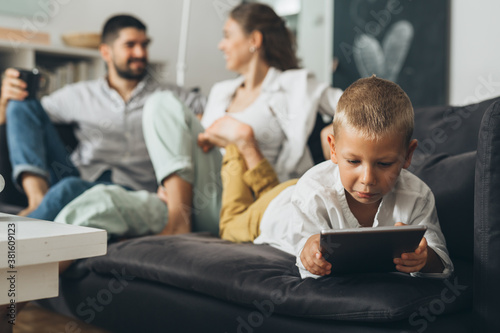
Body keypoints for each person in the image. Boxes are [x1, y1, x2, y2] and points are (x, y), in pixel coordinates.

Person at [52, 2, 343, 238]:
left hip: (248, 202)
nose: (221, 44)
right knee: (98, 203)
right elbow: (195, 142)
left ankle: (178, 222)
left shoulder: (296, 84)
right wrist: (172, 178)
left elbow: (358, 108)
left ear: (253, 40)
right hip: (200, 199)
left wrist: (244, 138)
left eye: (227, 35)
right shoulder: (221, 92)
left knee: (160, 99)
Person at [218, 76, 454, 279]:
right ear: (333, 148)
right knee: (230, 224)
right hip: (275, 208)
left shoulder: (418, 196)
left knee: (272, 188)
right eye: (353, 161)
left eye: (384, 164)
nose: (367, 179)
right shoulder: (311, 192)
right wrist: (308, 254)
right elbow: (306, 259)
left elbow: (442, 263)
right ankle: (239, 148)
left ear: (408, 155)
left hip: (300, 188)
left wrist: (424, 257)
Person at [0, 15, 203, 221]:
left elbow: (218, 112)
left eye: (144, 45)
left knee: (66, 190)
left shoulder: (170, 96)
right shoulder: (79, 94)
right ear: (106, 52)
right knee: (21, 102)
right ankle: (37, 200)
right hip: (81, 176)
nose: (140, 53)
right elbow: (25, 119)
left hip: (133, 190)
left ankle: (20, 234)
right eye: (130, 45)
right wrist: (4, 101)